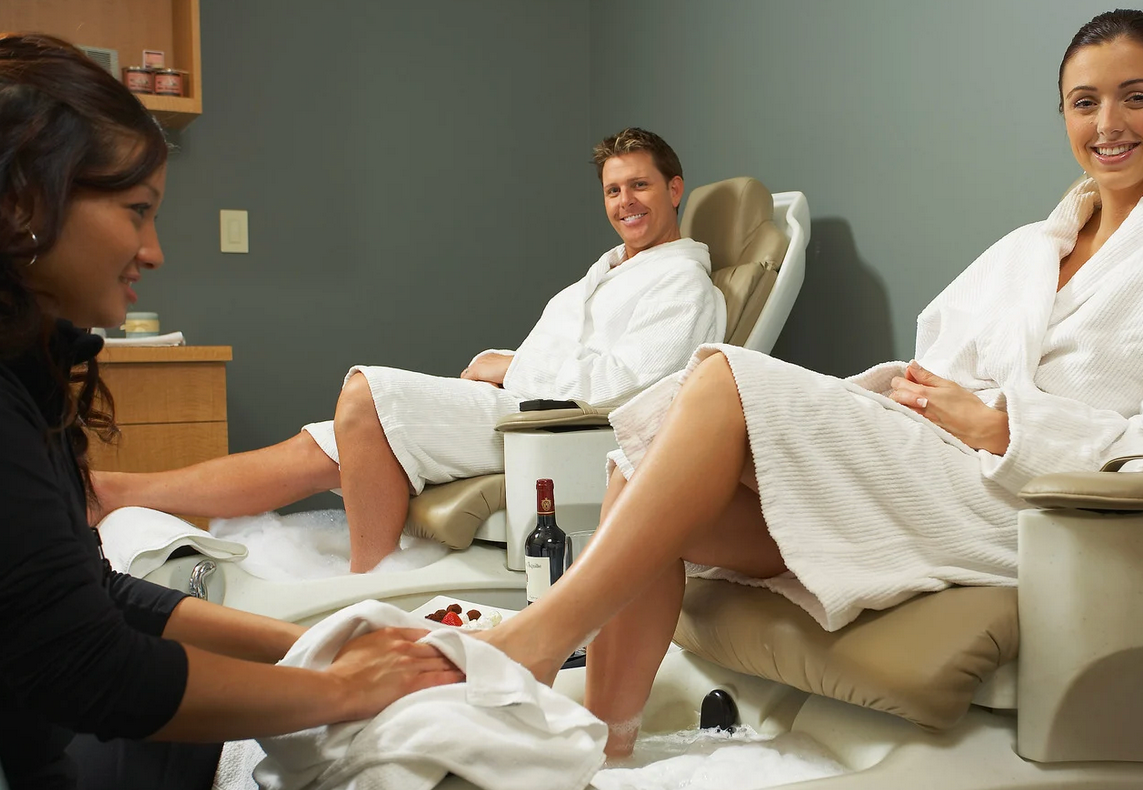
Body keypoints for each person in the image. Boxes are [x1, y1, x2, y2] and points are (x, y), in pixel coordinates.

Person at [472, 9, 1143, 758]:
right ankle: (606, 746)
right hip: (938, 469)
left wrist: (999, 425)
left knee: (721, 376)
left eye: (1136, 97)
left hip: (1046, 511)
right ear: (1064, 115)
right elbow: (933, 361)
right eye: (1085, 102)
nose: (1108, 124)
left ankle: (538, 640)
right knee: (638, 459)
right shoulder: (1030, 247)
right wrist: (911, 399)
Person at [0, 32, 459, 790]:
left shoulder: (28, 367)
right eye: (137, 211)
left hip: (37, 761)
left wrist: (300, 642)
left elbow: (93, 593)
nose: (154, 250)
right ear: (26, 201)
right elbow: (92, 666)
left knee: (199, 736)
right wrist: (336, 689)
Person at [91, 127, 727, 572]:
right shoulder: (606, 273)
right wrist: (501, 368)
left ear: (674, 190)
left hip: (562, 436)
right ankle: (120, 491)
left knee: (365, 394)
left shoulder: (683, 284)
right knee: (322, 444)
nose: (625, 203)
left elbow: (630, 388)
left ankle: (372, 582)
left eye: (639, 186)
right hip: (519, 411)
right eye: (614, 190)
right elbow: (564, 355)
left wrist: (511, 366)